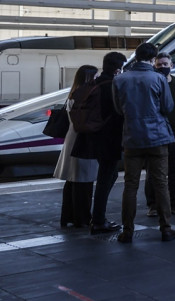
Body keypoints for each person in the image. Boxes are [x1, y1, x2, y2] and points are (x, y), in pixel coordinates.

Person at [112, 43, 175, 243]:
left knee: (130, 185)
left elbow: (118, 109)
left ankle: (127, 231)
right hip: (157, 137)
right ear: (153, 59)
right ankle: (166, 228)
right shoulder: (158, 78)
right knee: (161, 183)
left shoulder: (120, 79)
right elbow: (168, 107)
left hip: (132, 137)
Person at [71, 51, 125, 235]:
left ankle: (98, 217)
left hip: (93, 137)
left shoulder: (94, 83)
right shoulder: (113, 86)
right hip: (109, 138)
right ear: (118, 69)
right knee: (105, 178)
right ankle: (99, 221)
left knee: (109, 175)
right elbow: (119, 112)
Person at [144, 52, 175, 218]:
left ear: (172, 66)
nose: (162, 67)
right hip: (156, 133)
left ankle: (174, 202)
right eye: (159, 64)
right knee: (155, 170)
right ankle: (154, 205)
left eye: (165, 64)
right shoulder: (150, 83)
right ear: (154, 66)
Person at [53, 65, 99, 229]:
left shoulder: (73, 94)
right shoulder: (86, 96)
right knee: (84, 182)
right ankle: (82, 218)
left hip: (72, 137)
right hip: (83, 139)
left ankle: (67, 217)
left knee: (72, 181)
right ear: (89, 78)